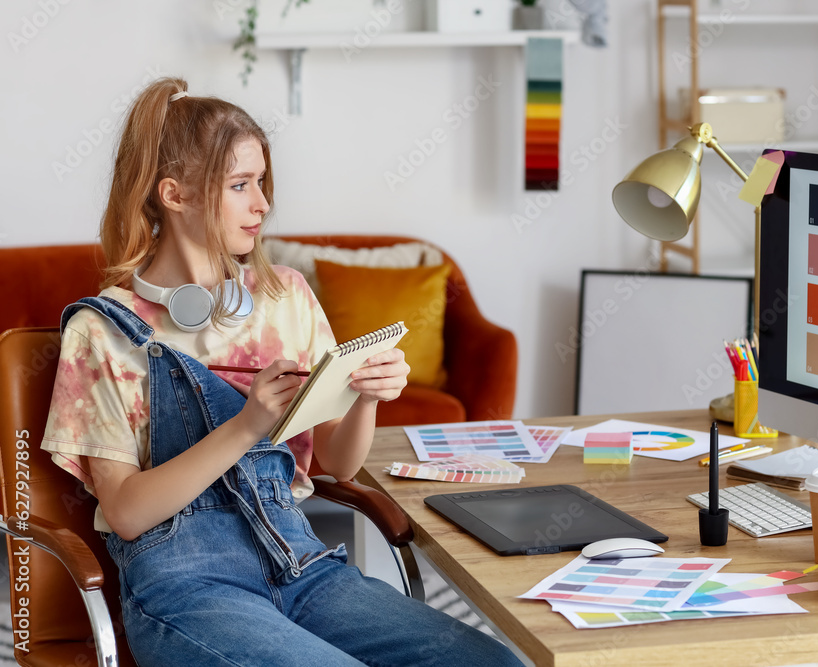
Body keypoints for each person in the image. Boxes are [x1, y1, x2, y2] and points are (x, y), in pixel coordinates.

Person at [40, 77, 522, 667]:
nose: (262, 204)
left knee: (489, 661)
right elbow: (127, 512)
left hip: (300, 564)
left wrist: (368, 396)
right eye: (240, 185)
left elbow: (340, 465)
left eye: (261, 182)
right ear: (175, 194)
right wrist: (247, 426)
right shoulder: (102, 331)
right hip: (188, 590)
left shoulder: (285, 295)